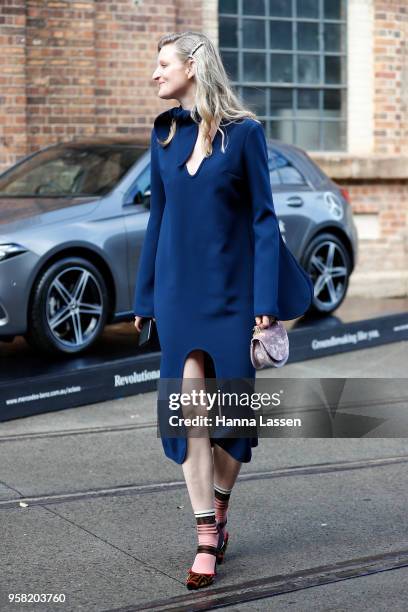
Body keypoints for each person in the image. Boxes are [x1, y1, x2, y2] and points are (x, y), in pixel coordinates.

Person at [133, 31, 314, 590]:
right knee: (190, 414)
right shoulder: (163, 134)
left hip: (236, 296)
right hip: (179, 294)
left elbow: (264, 220)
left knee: (231, 421)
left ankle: (220, 502)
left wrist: (265, 303)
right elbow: (156, 220)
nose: (155, 74)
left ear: (193, 66)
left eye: (163, 64)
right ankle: (206, 534)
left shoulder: (245, 134)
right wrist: (144, 297)